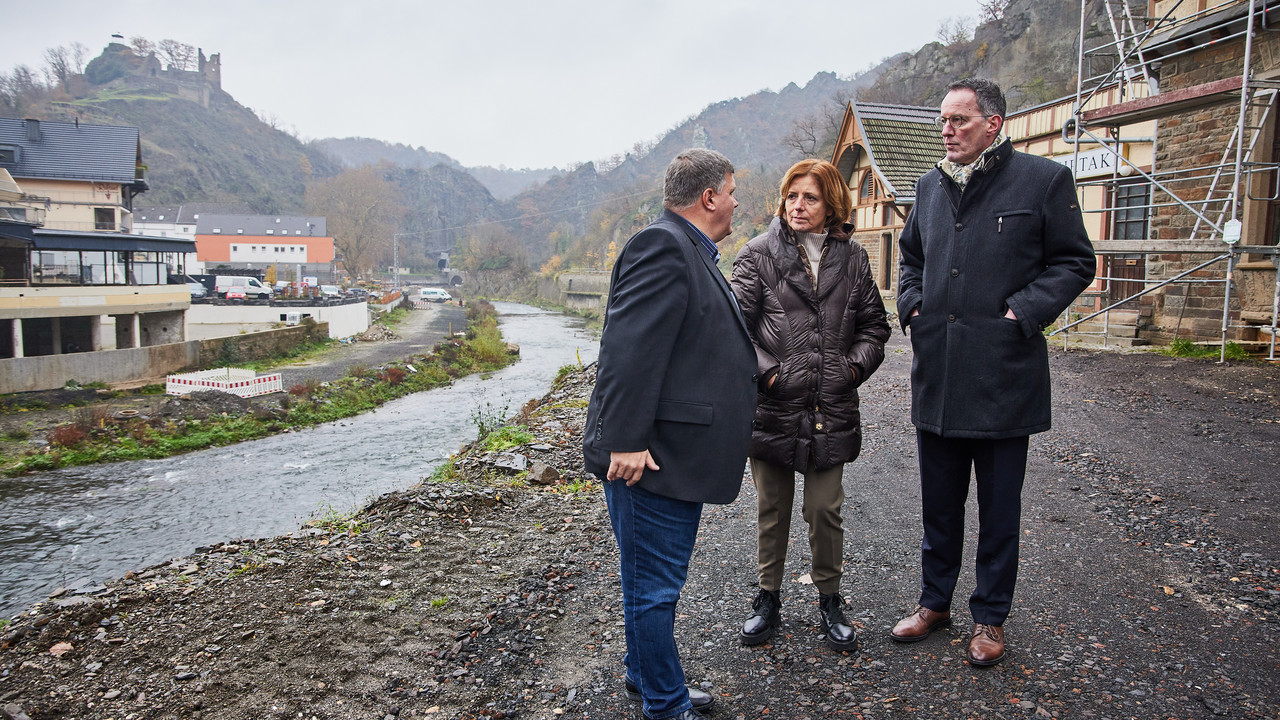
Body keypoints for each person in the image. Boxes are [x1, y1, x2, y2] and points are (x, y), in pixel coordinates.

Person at [891, 78, 1096, 666]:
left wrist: (1022, 312)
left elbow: (1076, 261)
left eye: (959, 120)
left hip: (1005, 376)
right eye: (943, 122)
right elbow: (911, 257)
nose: (948, 131)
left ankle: (990, 618)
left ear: (993, 124)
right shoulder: (928, 186)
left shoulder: (1043, 180)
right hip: (940, 374)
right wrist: (913, 306)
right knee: (939, 505)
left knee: (999, 511)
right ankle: (934, 603)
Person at [583, 148, 757, 720]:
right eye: (731, 192)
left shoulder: (689, 249)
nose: (735, 202)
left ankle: (644, 676)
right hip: (652, 459)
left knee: (650, 584)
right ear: (708, 197)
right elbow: (628, 352)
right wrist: (626, 441)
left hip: (673, 454)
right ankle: (664, 703)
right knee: (653, 590)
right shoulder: (662, 246)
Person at [729, 159, 890, 651]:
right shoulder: (756, 255)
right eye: (792, 196)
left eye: (811, 198)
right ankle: (767, 600)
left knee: (824, 509)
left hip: (830, 406)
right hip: (773, 406)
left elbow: (875, 329)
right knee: (772, 508)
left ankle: (830, 600)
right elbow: (732, 329)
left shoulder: (854, 259)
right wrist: (771, 373)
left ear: (831, 205)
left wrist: (851, 370)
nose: (799, 206)